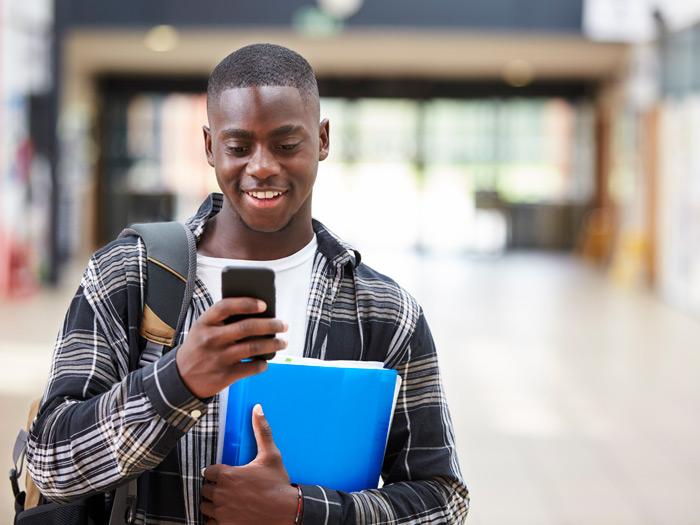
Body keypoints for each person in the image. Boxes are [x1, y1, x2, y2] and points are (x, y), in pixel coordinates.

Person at [27, 43, 469, 524]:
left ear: (322, 140)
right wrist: (179, 380)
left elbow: (443, 503)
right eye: (238, 147)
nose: (261, 166)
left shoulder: (385, 312)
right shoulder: (128, 277)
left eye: (286, 145)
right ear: (210, 146)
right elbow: (51, 465)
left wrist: (302, 512)